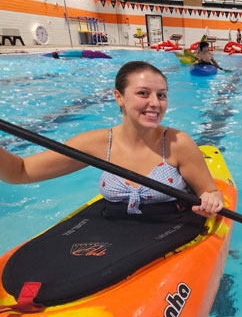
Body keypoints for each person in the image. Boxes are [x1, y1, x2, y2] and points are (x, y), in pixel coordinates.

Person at [0, 61, 224, 218]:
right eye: (143, 93)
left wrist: (211, 201)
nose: (155, 103)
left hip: (169, 228)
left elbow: (211, 192)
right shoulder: (97, 143)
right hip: (114, 232)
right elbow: (20, 172)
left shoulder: (177, 143)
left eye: (161, 95)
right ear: (119, 97)